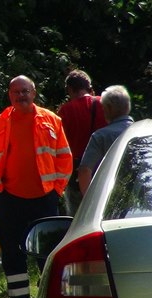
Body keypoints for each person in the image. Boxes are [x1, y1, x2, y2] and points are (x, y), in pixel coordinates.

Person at [0, 75, 72, 298]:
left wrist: (57, 190)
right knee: (12, 252)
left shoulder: (51, 121)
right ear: (10, 95)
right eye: (16, 92)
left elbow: (65, 157)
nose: (21, 96)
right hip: (10, 198)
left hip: (44, 198)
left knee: (47, 253)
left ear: (34, 92)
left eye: (25, 91)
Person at [57, 69, 107, 216]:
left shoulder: (65, 111)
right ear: (89, 87)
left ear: (70, 89)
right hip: (103, 165)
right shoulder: (104, 103)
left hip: (76, 171)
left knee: (77, 215)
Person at [78, 85, 134, 195]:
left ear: (109, 108)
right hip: (138, 196)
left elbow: (84, 171)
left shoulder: (100, 136)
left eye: (103, 108)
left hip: (108, 197)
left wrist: (89, 201)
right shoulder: (142, 132)